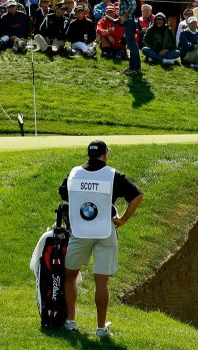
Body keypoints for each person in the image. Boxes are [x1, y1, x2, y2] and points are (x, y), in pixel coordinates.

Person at [58, 140, 143, 338]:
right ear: (105, 155)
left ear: (89, 155)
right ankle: (100, 328)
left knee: (70, 275)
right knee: (101, 281)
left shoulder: (74, 173)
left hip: (80, 232)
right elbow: (137, 196)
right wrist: (122, 219)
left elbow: (64, 193)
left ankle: (71, 322)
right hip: (105, 232)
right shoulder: (113, 175)